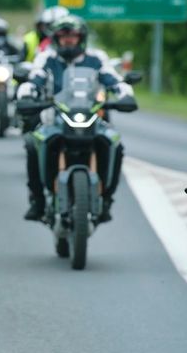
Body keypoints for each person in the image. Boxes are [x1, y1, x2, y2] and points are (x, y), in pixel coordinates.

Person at [16, 14, 131, 222]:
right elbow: (34, 78)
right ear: (56, 39)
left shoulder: (96, 58)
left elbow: (113, 79)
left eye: (73, 36)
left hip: (91, 117)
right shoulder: (47, 58)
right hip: (56, 119)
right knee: (32, 144)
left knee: (116, 145)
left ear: (81, 38)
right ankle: (38, 201)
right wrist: (26, 93)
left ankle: (106, 200)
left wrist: (125, 94)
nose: (68, 40)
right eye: (63, 36)